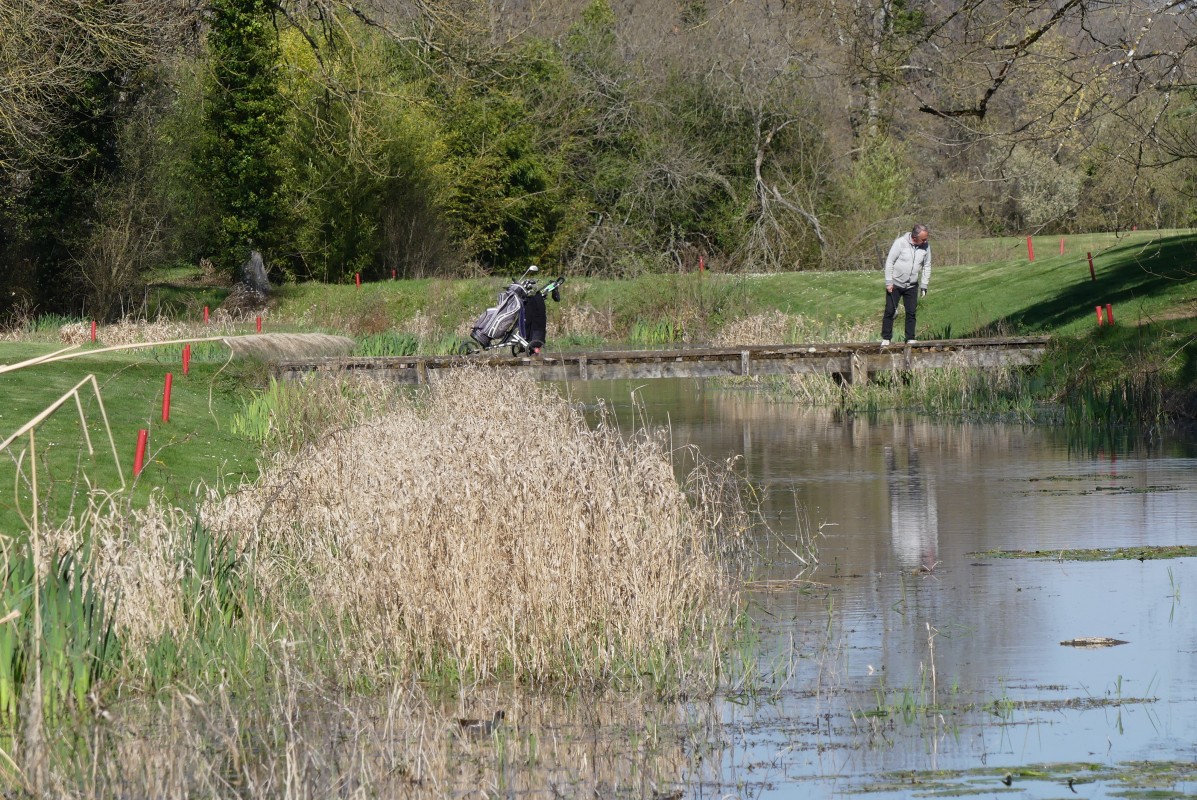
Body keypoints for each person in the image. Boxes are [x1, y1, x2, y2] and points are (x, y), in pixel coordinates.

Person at [880, 223, 931, 345]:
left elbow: (927, 265)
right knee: (890, 311)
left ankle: (910, 338)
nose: (925, 241)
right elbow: (890, 262)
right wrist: (889, 282)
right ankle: (886, 338)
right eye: (923, 239)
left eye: (926, 239)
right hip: (895, 284)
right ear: (915, 237)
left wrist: (924, 284)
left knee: (911, 312)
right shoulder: (900, 243)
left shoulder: (926, 246)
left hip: (912, 285)